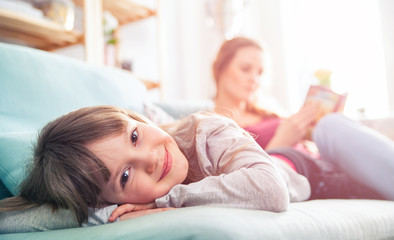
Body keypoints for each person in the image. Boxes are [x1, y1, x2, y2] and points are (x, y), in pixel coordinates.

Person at [0, 105, 310, 228]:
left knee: (334, 132)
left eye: (135, 136)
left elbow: (271, 190)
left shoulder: (207, 134)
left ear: (135, 117)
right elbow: (22, 221)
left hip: (304, 169)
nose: (150, 158)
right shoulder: (110, 205)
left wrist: (165, 199)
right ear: (113, 202)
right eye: (124, 175)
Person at [212, 36, 394, 201]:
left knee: (330, 124)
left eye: (260, 73)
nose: (254, 79)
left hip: (326, 159)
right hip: (311, 175)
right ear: (220, 69)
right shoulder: (215, 127)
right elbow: (249, 179)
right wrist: (282, 140)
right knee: (330, 125)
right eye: (245, 69)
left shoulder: (270, 112)